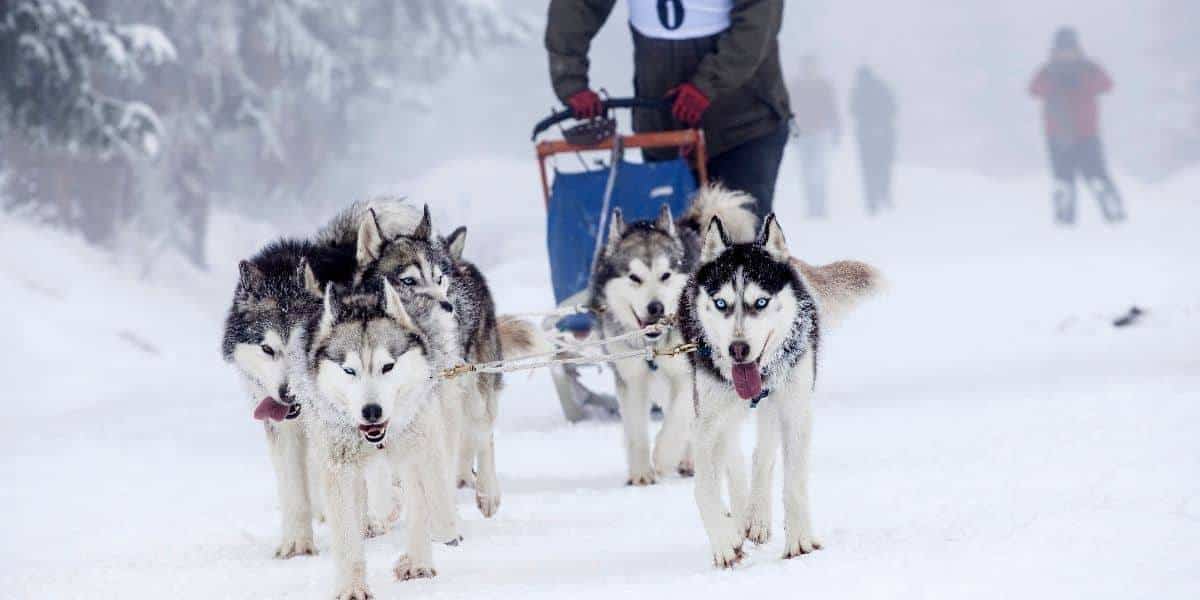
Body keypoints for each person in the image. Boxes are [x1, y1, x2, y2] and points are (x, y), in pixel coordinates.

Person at [545, 0, 790, 220]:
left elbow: (759, 20)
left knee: (740, 246)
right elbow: (577, 7)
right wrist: (570, 80)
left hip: (744, 124)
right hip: (664, 128)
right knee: (672, 255)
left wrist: (707, 85)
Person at [1029, 27, 1125, 225]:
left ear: (1078, 49)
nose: (1066, 54)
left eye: (1070, 49)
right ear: (1054, 50)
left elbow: (1107, 84)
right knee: (1063, 182)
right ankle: (1064, 222)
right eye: (1062, 49)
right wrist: (1055, 82)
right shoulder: (1048, 71)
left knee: (1096, 175)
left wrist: (1082, 81)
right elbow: (1034, 89)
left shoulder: (1089, 69)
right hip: (1058, 136)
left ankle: (1115, 216)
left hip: (1086, 134)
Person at [788, 55, 841, 218]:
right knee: (806, 171)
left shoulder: (823, 86)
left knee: (819, 170)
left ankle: (821, 207)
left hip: (819, 133)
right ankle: (812, 207)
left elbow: (832, 109)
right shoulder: (796, 86)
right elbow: (790, 111)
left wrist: (836, 131)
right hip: (804, 134)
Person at [849, 66, 896, 215]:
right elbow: (894, 108)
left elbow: (852, 110)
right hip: (884, 135)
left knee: (868, 169)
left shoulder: (858, 91)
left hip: (866, 137)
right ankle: (883, 192)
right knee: (883, 166)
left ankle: (871, 201)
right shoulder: (882, 87)